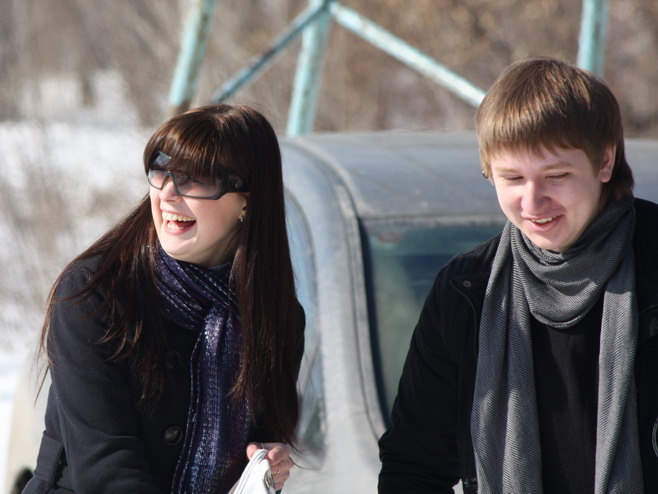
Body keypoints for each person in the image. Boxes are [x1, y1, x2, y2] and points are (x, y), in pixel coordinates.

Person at [378, 57, 658, 493]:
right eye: (512, 178)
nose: (532, 201)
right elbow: (414, 465)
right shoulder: (465, 291)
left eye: (556, 175)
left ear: (605, 161)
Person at [23, 103, 305, 493]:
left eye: (197, 178)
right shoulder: (96, 292)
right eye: (161, 171)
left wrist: (267, 461)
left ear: (248, 200)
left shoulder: (274, 315)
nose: (168, 193)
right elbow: (105, 469)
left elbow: (267, 432)